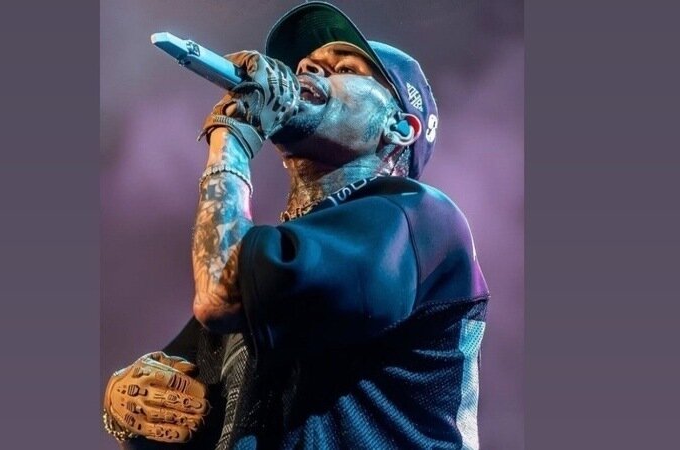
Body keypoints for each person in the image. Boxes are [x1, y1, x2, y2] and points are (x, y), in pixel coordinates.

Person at [103, 2, 489, 449]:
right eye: (306, 65)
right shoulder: (271, 259)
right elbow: (174, 401)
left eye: (344, 68)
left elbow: (220, 293)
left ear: (400, 127)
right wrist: (126, 406)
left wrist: (233, 134)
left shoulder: (421, 220)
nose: (308, 69)